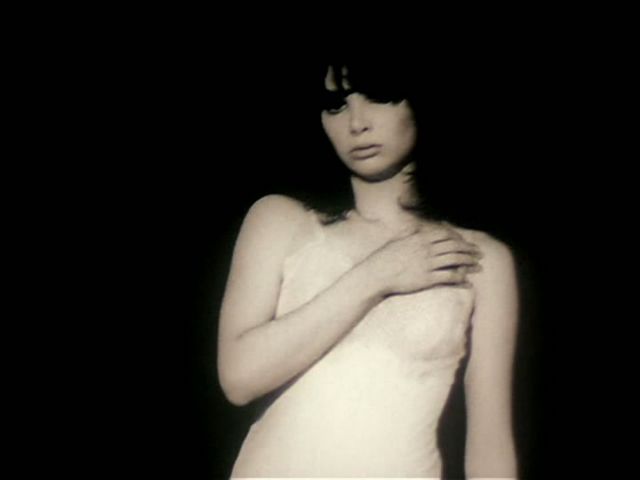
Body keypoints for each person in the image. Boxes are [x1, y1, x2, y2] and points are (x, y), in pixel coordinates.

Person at [216, 59, 519, 478]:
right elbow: (238, 379)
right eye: (336, 104)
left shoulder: (478, 257)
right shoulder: (281, 221)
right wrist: (378, 274)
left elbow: (490, 445)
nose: (357, 123)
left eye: (378, 96)